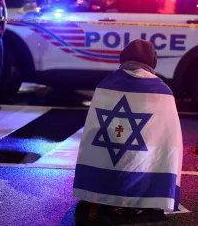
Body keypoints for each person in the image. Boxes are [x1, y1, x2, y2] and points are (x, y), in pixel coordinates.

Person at [73, 39, 183, 225]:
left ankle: (101, 197)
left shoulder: (105, 85)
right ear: (152, 61)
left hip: (105, 169)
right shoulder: (161, 91)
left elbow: (92, 135)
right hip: (140, 169)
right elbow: (169, 142)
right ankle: (141, 202)